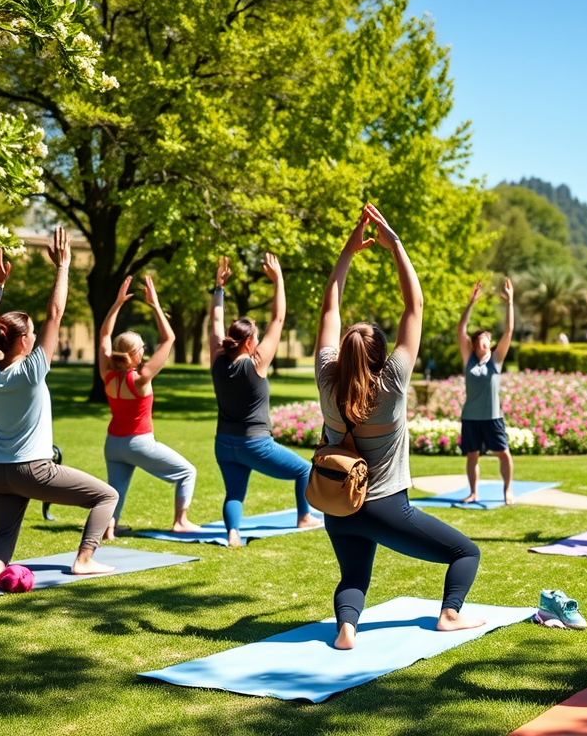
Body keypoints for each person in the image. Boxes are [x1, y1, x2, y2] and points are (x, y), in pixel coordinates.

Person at [316, 203, 483, 650]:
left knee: (353, 574)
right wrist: (396, 246)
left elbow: (329, 307)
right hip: (387, 506)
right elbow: (416, 304)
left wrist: (347, 254)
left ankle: (346, 630)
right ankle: (449, 614)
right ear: (380, 355)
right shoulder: (390, 383)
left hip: (338, 505)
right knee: (466, 553)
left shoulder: (326, 377)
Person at [0, 230, 117, 585]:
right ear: (24, 341)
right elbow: (56, 312)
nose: (39, 336)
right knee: (106, 496)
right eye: (34, 334)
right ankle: (84, 559)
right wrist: (64, 267)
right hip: (33, 469)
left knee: (5, 533)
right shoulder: (31, 371)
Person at [210, 253, 321, 548]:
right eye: (256, 337)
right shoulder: (255, 364)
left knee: (234, 493)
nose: (259, 341)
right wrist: (279, 280)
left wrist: (218, 289)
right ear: (249, 343)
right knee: (304, 470)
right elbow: (279, 318)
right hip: (254, 444)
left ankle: (233, 534)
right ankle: (303, 516)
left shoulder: (218, 360)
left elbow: (216, 322)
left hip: (224, 444)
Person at [97, 274, 199, 540]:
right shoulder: (141, 378)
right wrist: (154, 305)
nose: (144, 351)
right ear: (135, 354)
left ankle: (109, 528)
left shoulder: (107, 374)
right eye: (141, 348)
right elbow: (169, 338)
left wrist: (117, 303)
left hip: (113, 443)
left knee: (116, 488)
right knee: (187, 472)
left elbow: (105, 334)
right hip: (138, 442)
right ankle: (181, 521)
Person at [456, 277, 515, 505]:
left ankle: (507, 490)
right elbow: (461, 329)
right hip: (471, 417)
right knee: (472, 456)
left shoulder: (496, 360)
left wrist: (510, 302)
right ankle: (473, 493)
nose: (485, 342)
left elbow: (509, 331)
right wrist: (470, 303)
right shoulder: (469, 360)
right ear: (474, 344)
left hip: (493, 418)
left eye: (487, 339)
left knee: (503, 453)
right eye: (480, 339)